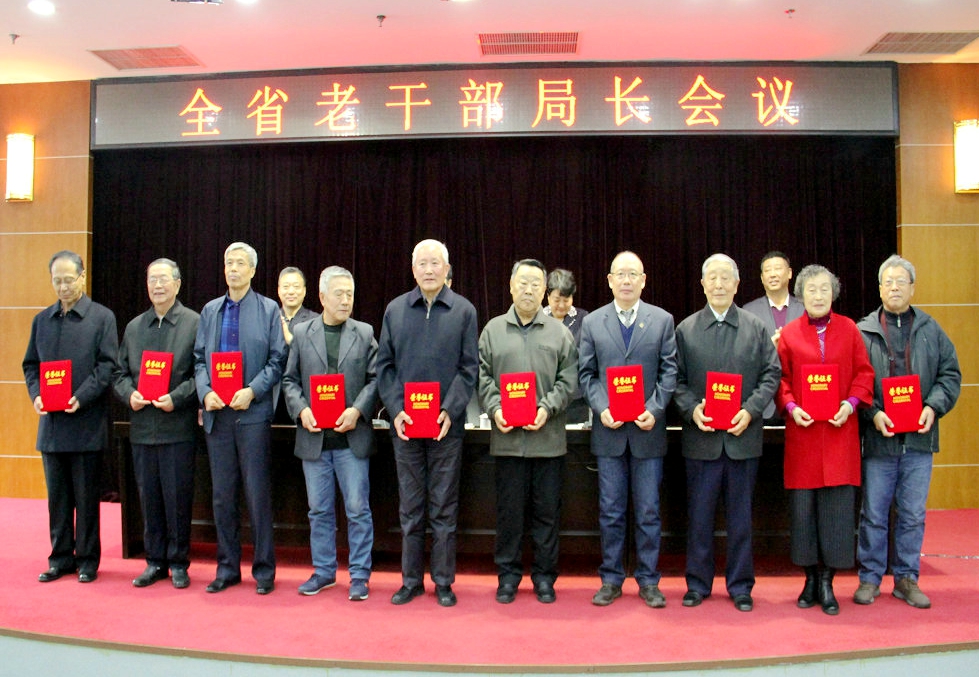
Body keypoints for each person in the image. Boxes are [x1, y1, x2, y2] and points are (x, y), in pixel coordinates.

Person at [673, 254, 781, 613]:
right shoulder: (686, 330)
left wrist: (750, 411)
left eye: (725, 278)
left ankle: (741, 586)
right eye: (712, 278)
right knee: (699, 518)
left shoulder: (755, 327)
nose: (718, 284)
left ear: (737, 284)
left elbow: (771, 374)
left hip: (742, 440)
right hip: (701, 440)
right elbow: (675, 380)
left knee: (741, 520)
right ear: (702, 285)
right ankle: (697, 584)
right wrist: (692, 409)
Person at [854, 255, 960, 609]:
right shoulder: (864, 331)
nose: (895, 288)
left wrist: (933, 406)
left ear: (912, 288)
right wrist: (873, 414)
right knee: (873, 514)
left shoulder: (931, 330)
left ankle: (906, 578)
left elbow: (950, 375)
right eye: (889, 282)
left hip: (919, 440)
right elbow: (853, 382)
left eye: (901, 282)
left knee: (913, 515)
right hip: (879, 440)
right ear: (879, 288)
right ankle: (869, 578)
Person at [376, 239, 478, 607]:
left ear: (447, 269)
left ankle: (444, 581)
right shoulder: (395, 310)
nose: (429, 269)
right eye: (423, 263)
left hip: (446, 427)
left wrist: (449, 410)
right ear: (413, 269)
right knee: (410, 507)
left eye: (436, 263)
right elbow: (384, 367)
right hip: (405, 426)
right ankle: (410, 580)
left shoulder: (464, 311)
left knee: (444, 507)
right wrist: (396, 409)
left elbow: (469, 369)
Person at [578, 251, 677, 608]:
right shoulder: (593, 323)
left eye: (633, 274)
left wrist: (654, 408)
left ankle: (648, 580)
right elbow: (586, 374)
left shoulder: (662, 320)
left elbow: (669, 371)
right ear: (609, 280)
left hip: (648, 431)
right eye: (620, 274)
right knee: (611, 511)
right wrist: (602, 408)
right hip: (610, 432)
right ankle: (611, 578)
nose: (626, 280)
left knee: (649, 511)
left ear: (643, 280)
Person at [477, 259, 578, 604]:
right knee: (509, 515)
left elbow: (569, 379)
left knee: (546, 515)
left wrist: (546, 408)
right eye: (523, 283)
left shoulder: (559, 333)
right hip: (508, 442)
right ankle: (507, 577)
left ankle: (545, 578)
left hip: (548, 442)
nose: (529, 290)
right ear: (510, 286)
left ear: (545, 291)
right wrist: (495, 409)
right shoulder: (492, 330)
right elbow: (483, 377)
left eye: (536, 284)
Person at [776, 264, 874, 615]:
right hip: (803, 436)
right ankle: (809, 579)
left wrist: (850, 405)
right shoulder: (789, 334)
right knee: (803, 514)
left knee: (836, 513)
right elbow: (780, 379)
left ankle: (828, 582)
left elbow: (864, 373)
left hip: (839, 433)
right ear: (800, 295)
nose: (818, 296)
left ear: (834, 294)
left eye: (824, 289)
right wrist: (791, 406)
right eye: (811, 290)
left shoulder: (849, 329)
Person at [193, 242, 287, 595]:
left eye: (239, 263)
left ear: (253, 271)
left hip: (252, 414)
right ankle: (227, 568)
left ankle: (264, 570)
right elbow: (198, 359)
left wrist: (253, 391)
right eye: (228, 262)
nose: (233, 268)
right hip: (218, 415)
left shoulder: (268, 309)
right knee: (222, 496)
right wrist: (205, 392)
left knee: (257, 495)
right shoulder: (210, 310)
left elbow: (278, 360)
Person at [282, 266, 378, 601]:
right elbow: (289, 380)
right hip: (315, 439)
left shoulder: (364, 333)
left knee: (357, 509)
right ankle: (324, 571)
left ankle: (359, 576)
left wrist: (358, 410)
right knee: (319, 510)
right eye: (339, 294)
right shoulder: (302, 333)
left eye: (350, 294)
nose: (346, 300)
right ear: (322, 297)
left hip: (351, 439)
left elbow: (376, 379)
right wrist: (301, 410)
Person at [23, 250, 118, 583]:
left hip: (86, 422)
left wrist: (81, 396)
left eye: (68, 280)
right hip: (51, 425)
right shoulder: (42, 320)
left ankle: (87, 559)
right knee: (58, 499)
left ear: (82, 277)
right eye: (57, 281)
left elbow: (107, 366)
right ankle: (60, 557)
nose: (63, 287)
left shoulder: (102, 317)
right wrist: (36, 395)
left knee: (87, 498)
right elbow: (30, 365)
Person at [113, 258, 200, 589]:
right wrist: (129, 394)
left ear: (178, 284)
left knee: (178, 499)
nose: (158, 285)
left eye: (164, 279)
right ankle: (154, 562)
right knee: (148, 498)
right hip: (142, 427)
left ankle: (178, 562)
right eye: (152, 280)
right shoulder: (135, 327)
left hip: (177, 427)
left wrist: (177, 397)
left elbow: (202, 373)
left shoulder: (194, 323)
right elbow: (119, 373)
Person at [742, 251, 805, 420]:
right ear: (762, 278)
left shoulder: (805, 309)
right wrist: (769, 348)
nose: (773, 274)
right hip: (763, 402)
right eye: (767, 270)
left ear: (790, 273)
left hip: (799, 399)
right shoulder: (748, 312)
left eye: (777, 268)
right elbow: (743, 356)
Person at [543, 268, 590, 423]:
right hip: (545, 398)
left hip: (576, 399)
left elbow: (586, 356)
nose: (562, 305)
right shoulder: (538, 320)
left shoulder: (584, 319)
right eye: (557, 300)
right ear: (547, 296)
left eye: (567, 299)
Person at [273, 266, 318, 423]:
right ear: (279, 290)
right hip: (273, 395)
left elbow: (316, 358)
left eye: (296, 287)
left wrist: (291, 340)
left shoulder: (315, 321)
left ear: (304, 291)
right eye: (286, 287)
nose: (291, 291)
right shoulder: (270, 319)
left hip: (303, 396)